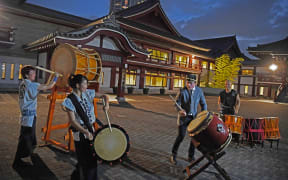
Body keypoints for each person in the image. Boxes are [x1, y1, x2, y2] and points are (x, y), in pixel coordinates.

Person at [62, 74, 109, 180]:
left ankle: (76, 176)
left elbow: (104, 96)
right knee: (90, 161)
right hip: (80, 133)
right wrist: (86, 132)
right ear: (78, 85)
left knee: (85, 159)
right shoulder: (70, 100)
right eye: (85, 83)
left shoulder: (87, 93)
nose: (87, 85)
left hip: (91, 130)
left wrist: (106, 104)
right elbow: (73, 121)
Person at [13, 65, 59, 168]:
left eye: (34, 73)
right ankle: (18, 160)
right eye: (32, 73)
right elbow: (49, 86)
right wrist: (55, 77)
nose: (34, 75)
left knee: (30, 135)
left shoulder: (23, 84)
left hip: (26, 114)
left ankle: (31, 149)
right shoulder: (32, 85)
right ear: (26, 75)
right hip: (29, 115)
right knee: (25, 138)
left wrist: (51, 76)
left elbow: (45, 85)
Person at [170, 74, 207, 165]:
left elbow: (203, 104)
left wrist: (203, 115)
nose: (188, 84)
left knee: (194, 137)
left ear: (195, 83)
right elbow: (176, 104)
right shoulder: (182, 91)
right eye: (187, 82)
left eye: (190, 83)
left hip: (193, 118)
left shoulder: (199, 91)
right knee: (181, 136)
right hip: (183, 118)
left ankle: (191, 156)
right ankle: (173, 155)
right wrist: (180, 110)